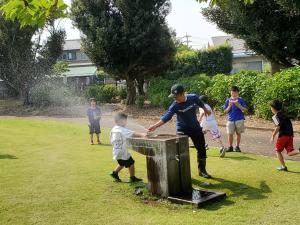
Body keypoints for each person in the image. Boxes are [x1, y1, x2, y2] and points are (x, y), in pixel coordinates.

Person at [148, 84, 212, 178]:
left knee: (201, 149)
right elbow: (167, 117)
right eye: (173, 97)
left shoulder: (193, 97)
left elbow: (199, 102)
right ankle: (181, 172)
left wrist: (205, 109)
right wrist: (155, 126)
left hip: (195, 128)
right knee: (180, 151)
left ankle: (202, 171)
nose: (174, 98)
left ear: (182, 94)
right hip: (182, 129)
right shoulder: (174, 105)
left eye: (176, 96)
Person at [110, 112, 145, 182]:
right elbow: (133, 133)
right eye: (125, 120)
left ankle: (114, 173)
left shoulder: (113, 129)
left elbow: (111, 139)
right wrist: (143, 134)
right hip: (122, 151)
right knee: (131, 162)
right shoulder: (122, 130)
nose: (126, 122)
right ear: (121, 121)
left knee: (122, 163)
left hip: (116, 151)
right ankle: (132, 178)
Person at [270, 100, 300, 171]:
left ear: (273, 108)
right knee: (290, 152)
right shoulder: (285, 114)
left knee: (278, 151)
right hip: (290, 135)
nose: (270, 109)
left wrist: (273, 136)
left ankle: (283, 167)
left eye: (271, 107)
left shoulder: (275, 117)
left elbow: (277, 127)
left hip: (283, 136)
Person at [224, 86, 247, 152]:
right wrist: (229, 106)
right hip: (230, 119)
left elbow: (245, 110)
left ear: (237, 92)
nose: (233, 94)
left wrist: (238, 105)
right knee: (230, 134)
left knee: (238, 133)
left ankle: (237, 147)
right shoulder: (228, 100)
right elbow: (225, 111)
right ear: (230, 92)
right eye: (232, 92)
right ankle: (230, 147)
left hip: (239, 119)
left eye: (235, 92)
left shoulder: (241, 100)